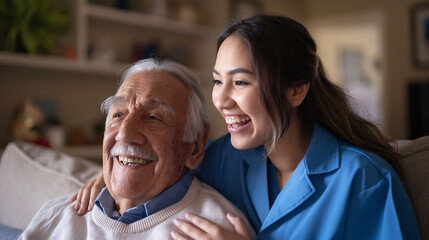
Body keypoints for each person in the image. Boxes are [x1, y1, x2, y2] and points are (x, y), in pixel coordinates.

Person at [72, 15, 421, 239]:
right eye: (217, 81)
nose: (221, 99)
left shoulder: (364, 181)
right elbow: (163, 164)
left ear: (296, 89)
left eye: (240, 83)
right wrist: (116, 167)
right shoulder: (220, 160)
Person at [19, 58, 256, 240]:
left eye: (153, 117)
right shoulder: (60, 213)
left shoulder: (220, 228)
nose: (124, 133)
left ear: (194, 146)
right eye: (118, 114)